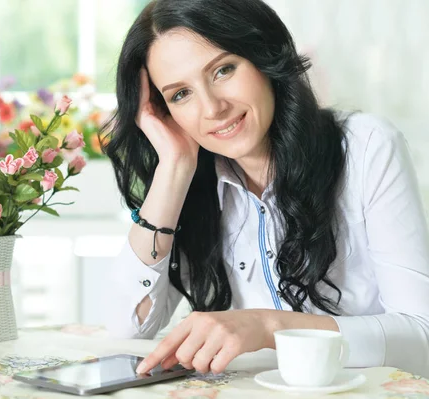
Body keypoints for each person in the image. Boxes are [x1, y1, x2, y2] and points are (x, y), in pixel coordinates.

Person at [99, 0, 429, 378]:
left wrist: (268, 327)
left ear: (263, 56)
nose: (212, 108)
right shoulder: (193, 182)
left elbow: (422, 337)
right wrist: (174, 168)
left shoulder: (366, 147)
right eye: (180, 94)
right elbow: (126, 328)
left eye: (223, 70)